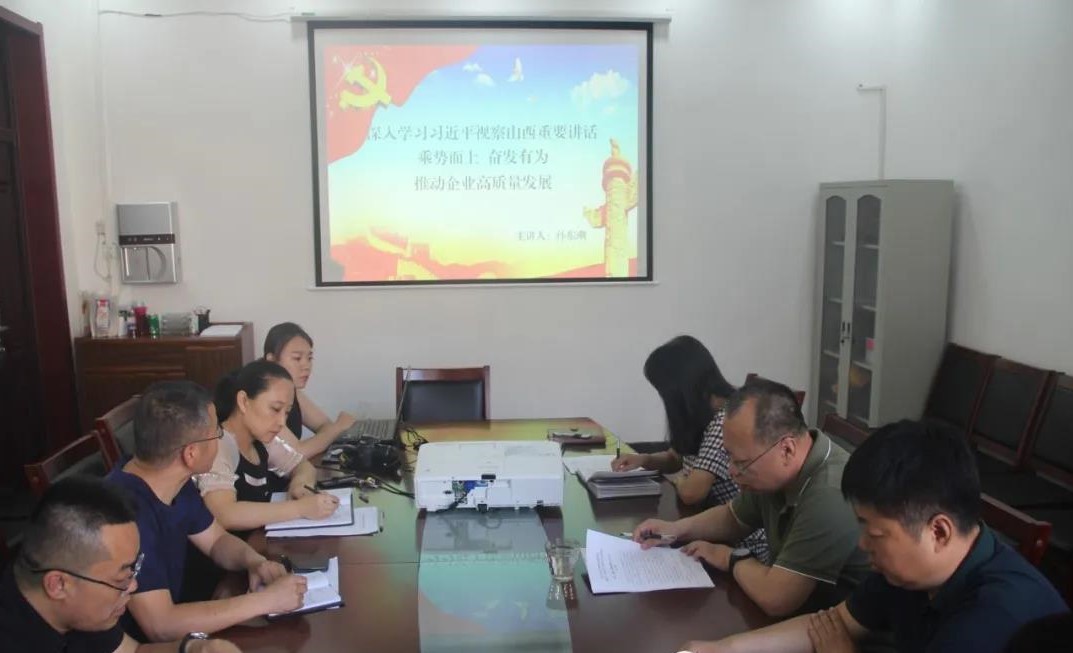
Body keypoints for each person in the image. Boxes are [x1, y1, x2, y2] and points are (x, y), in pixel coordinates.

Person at [680, 419, 1069, 653]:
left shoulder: (993, 619)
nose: (863, 543)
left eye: (875, 532)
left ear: (938, 532)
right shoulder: (909, 573)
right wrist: (724, 648)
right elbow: (832, 624)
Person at [633, 378, 869, 618]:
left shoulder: (830, 493)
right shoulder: (774, 472)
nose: (731, 471)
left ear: (787, 450)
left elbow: (777, 598)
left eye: (741, 462)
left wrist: (730, 558)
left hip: (838, 626)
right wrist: (675, 529)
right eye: (729, 457)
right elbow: (733, 517)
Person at [105, 380, 308, 642]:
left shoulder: (171, 479)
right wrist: (267, 601)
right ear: (191, 453)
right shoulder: (125, 513)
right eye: (216, 433)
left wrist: (254, 562)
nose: (221, 438)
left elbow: (216, 541)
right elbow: (161, 625)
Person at [1, 476, 240, 653]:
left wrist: (194, 647)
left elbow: (131, 651)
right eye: (120, 578)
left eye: (133, 569)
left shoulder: (83, 606)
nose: (133, 585)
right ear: (58, 585)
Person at [613, 335, 769, 560]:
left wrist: (680, 481)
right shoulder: (700, 412)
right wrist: (644, 460)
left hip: (739, 542)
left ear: (681, 388)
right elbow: (675, 458)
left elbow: (691, 493)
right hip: (709, 528)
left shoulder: (727, 419)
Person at [197, 360, 339, 532]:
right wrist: (300, 508)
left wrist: (300, 486)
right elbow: (225, 514)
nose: (282, 422)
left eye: (287, 412)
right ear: (243, 401)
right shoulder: (218, 444)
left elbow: (303, 466)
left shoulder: (262, 441)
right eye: (275, 409)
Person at [263, 322, 356, 458]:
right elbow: (296, 453)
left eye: (309, 358)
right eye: (297, 358)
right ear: (271, 360)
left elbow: (325, 425)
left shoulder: (290, 390)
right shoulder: (262, 396)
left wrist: (333, 430)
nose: (306, 366)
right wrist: (339, 427)